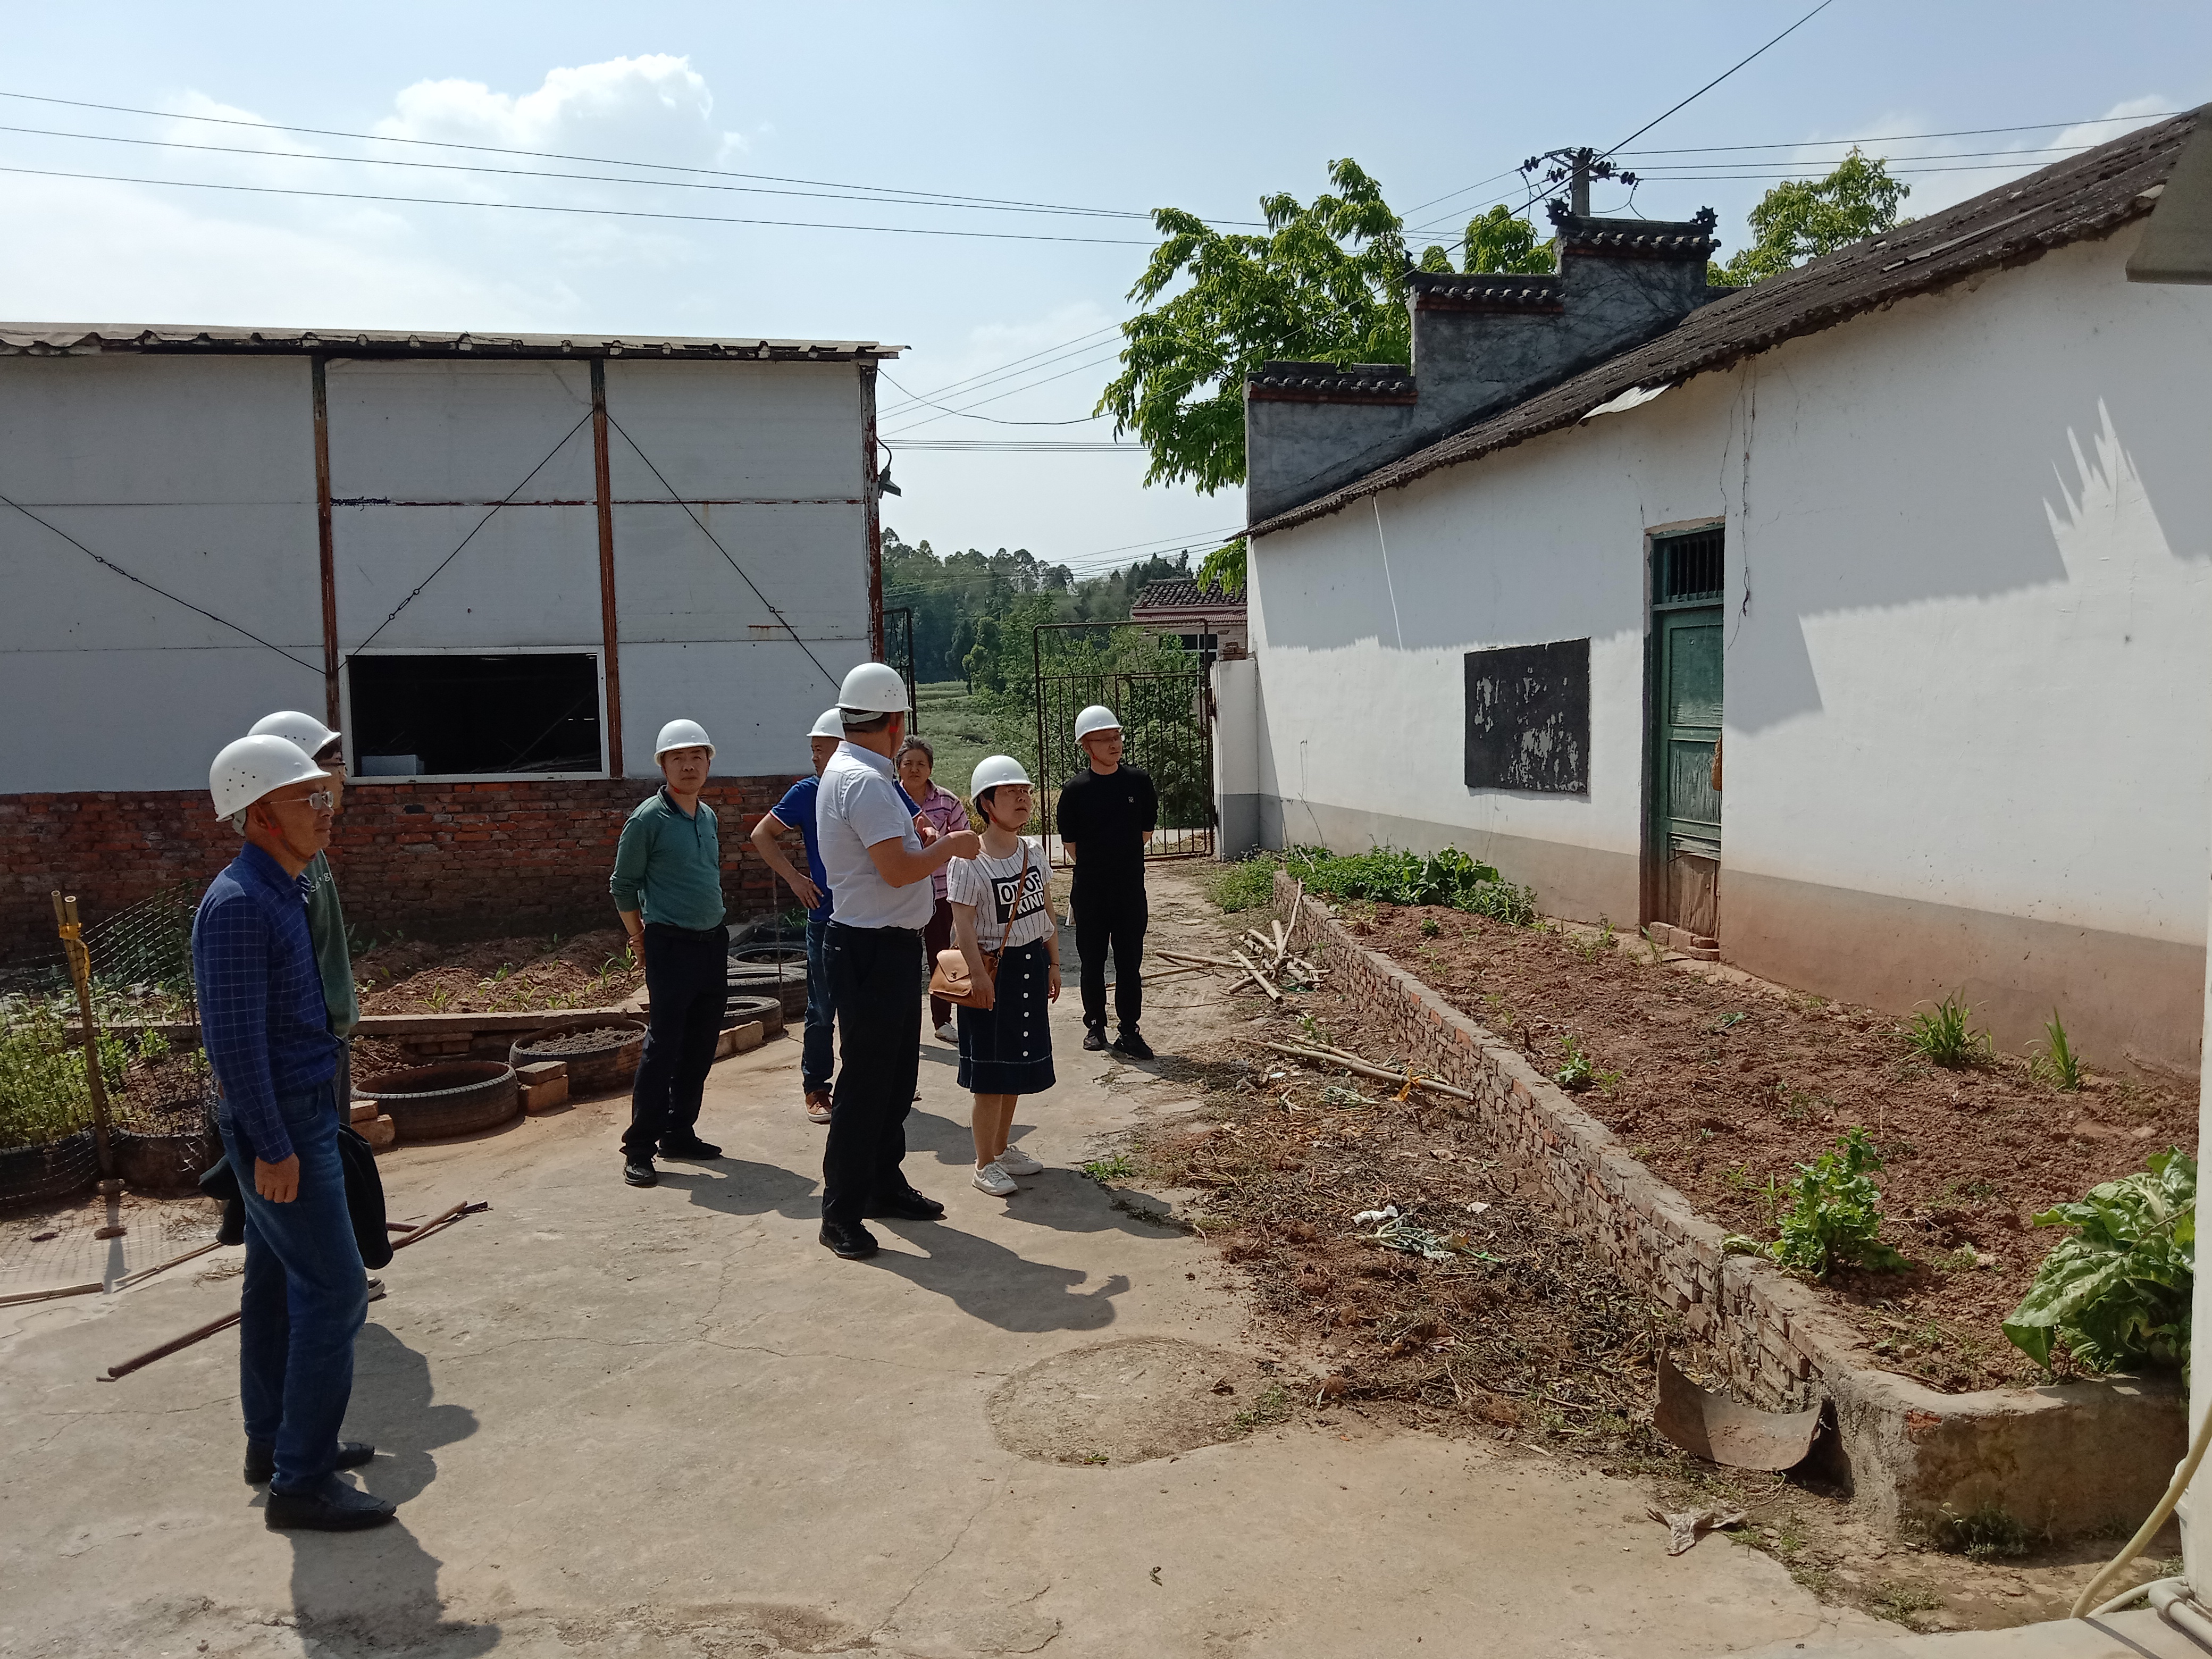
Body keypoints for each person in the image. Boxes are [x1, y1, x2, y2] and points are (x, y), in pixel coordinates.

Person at [194, 733, 390, 1532]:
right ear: (258, 815)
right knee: (336, 1292)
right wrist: (273, 1147)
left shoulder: (287, 887)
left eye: (322, 793)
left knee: (276, 1285)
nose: (325, 807)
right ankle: (300, 1482)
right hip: (282, 1126)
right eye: (306, 798)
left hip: (303, 1112)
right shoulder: (240, 905)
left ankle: (275, 1442)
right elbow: (235, 1045)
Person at [814, 662, 979, 1260]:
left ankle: (883, 1183)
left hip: (881, 944)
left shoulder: (857, 772)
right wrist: (949, 846)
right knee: (866, 1084)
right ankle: (841, 1212)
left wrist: (917, 840)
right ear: (894, 721)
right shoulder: (862, 780)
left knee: (894, 1079)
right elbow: (897, 871)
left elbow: (887, 853)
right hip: (870, 947)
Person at [610, 719, 728, 1188]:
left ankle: (679, 1133)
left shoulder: (707, 816)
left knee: (700, 1044)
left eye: (697, 756)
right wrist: (638, 937)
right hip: (670, 945)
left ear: (708, 763)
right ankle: (640, 1147)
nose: (689, 765)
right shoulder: (647, 820)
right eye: (678, 758)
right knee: (663, 1048)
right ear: (663, 765)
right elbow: (623, 885)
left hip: (712, 944)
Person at [946, 756, 1060, 1196]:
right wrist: (979, 977)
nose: (1022, 799)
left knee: (1016, 1066)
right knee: (990, 1076)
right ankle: (983, 1164)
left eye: (1025, 791)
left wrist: (1053, 963)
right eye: (1010, 792)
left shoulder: (1033, 852)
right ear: (987, 804)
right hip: (992, 969)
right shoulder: (968, 861)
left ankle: (1001, 1148)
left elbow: (1046, 910)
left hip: (1030, 965)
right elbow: (963, 926)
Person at [247, 713, 359, 1110]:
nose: (343, 776)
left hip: (328, 1035)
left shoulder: (310, 851)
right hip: (307, 1048)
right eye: (336, 764)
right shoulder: (276, 871)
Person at [751, 708, 847, 1125]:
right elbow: (762, 834)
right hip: (825, 918)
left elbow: (916, 825)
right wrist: (795, 879)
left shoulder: (873, 788)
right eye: (814, 750)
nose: (814, 757)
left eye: (822, 750)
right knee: (822, 1008)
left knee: (864, 1009)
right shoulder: (808, 792)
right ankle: (817, 1087)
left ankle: (864, 1081)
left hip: (868, 918)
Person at [1056, 704, 1158, 1060]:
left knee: (1130, 962)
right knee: (1092, 961)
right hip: (1091, 890)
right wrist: (1101, 864)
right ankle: (1095, 1026)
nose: (1114, 744)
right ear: (1087, 746)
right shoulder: (1075, 791)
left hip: (1129, 887)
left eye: (1117, 737)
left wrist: (1119, 860)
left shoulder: (1138, 782)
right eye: (1104, 739)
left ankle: (1129, 1030)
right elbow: (1071, 845)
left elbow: (1145, 832)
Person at [897, 735, 971, 1044]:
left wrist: (940, 847)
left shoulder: (947, 802)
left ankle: (943, 1021)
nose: (914, 770)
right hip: (901, 894)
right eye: (908, 763)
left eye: (921, 764)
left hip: (940, 893)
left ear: (930, 768)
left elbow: (965, 844)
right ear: (898, 767)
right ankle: (902, 1025)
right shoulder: (888, 799)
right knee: (903, 960)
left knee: (942, 956)